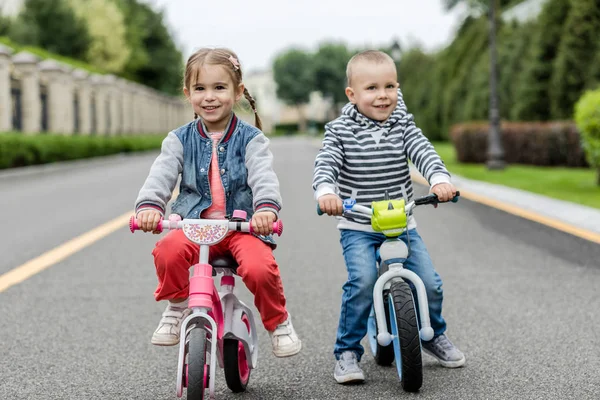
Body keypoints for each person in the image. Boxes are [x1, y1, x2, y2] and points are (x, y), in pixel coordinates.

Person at [134, 47, 301, 358]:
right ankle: (178, 303)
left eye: (219, 88)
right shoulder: (178, 140)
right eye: (200, 89)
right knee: (167, 251)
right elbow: (161, 175)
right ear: (188, 93)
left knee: (259, 268)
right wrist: (149, 207)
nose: (209, 97)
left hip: (242, 228)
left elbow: (264, 177)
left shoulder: (252, 139)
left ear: (237, 92)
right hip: (194, 227)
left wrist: (265, 209)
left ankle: (278, 322)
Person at [312, 50, 465, 384]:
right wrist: (326, 191)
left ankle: (431, 334)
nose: (382, 95)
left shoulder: (403, 125)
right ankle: (348, 351)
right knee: (363, 282)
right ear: (352, 94)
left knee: (430, 282)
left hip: (402, 224)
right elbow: (326, 163)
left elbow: (424, 152)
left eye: (389, 86)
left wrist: (439, 180)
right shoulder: (340, 131)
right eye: (372, 88)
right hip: (359, 225)